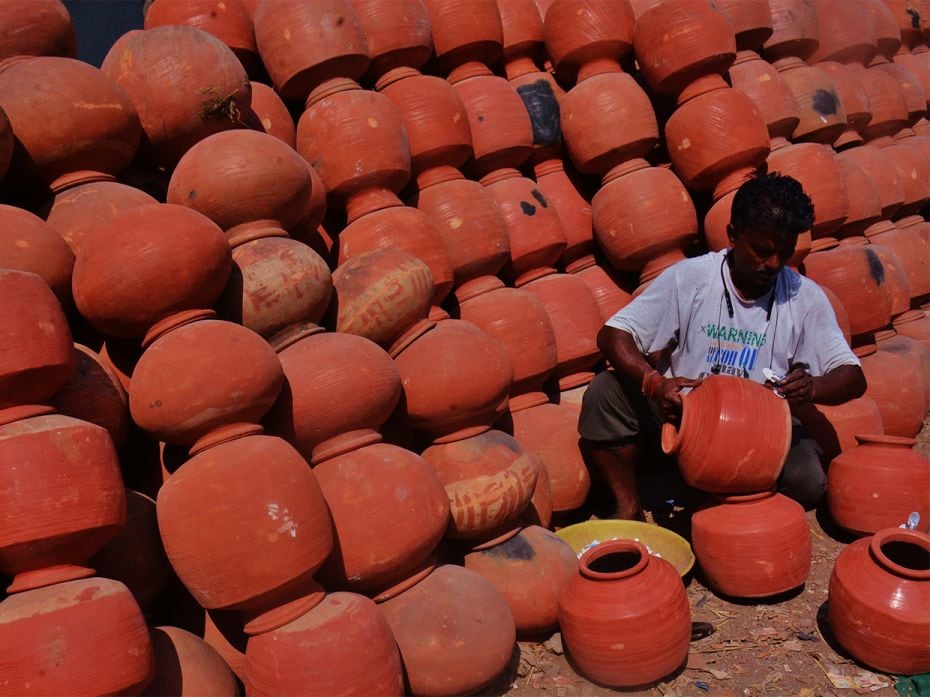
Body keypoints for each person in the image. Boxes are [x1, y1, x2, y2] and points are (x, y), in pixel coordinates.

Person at [578, 169, 867, 519]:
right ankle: (629, 507)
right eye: (762, 250)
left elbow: (853, 377)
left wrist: (814, 386)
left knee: (807, 481)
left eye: (785, 252)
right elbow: (613, 334)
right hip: (682, 415)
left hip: (757, 428)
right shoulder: (692, 278)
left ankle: (720, 497)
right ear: (733, 235)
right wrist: (654, 383)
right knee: (605, 393)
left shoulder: (803, 296)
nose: (773, 264)